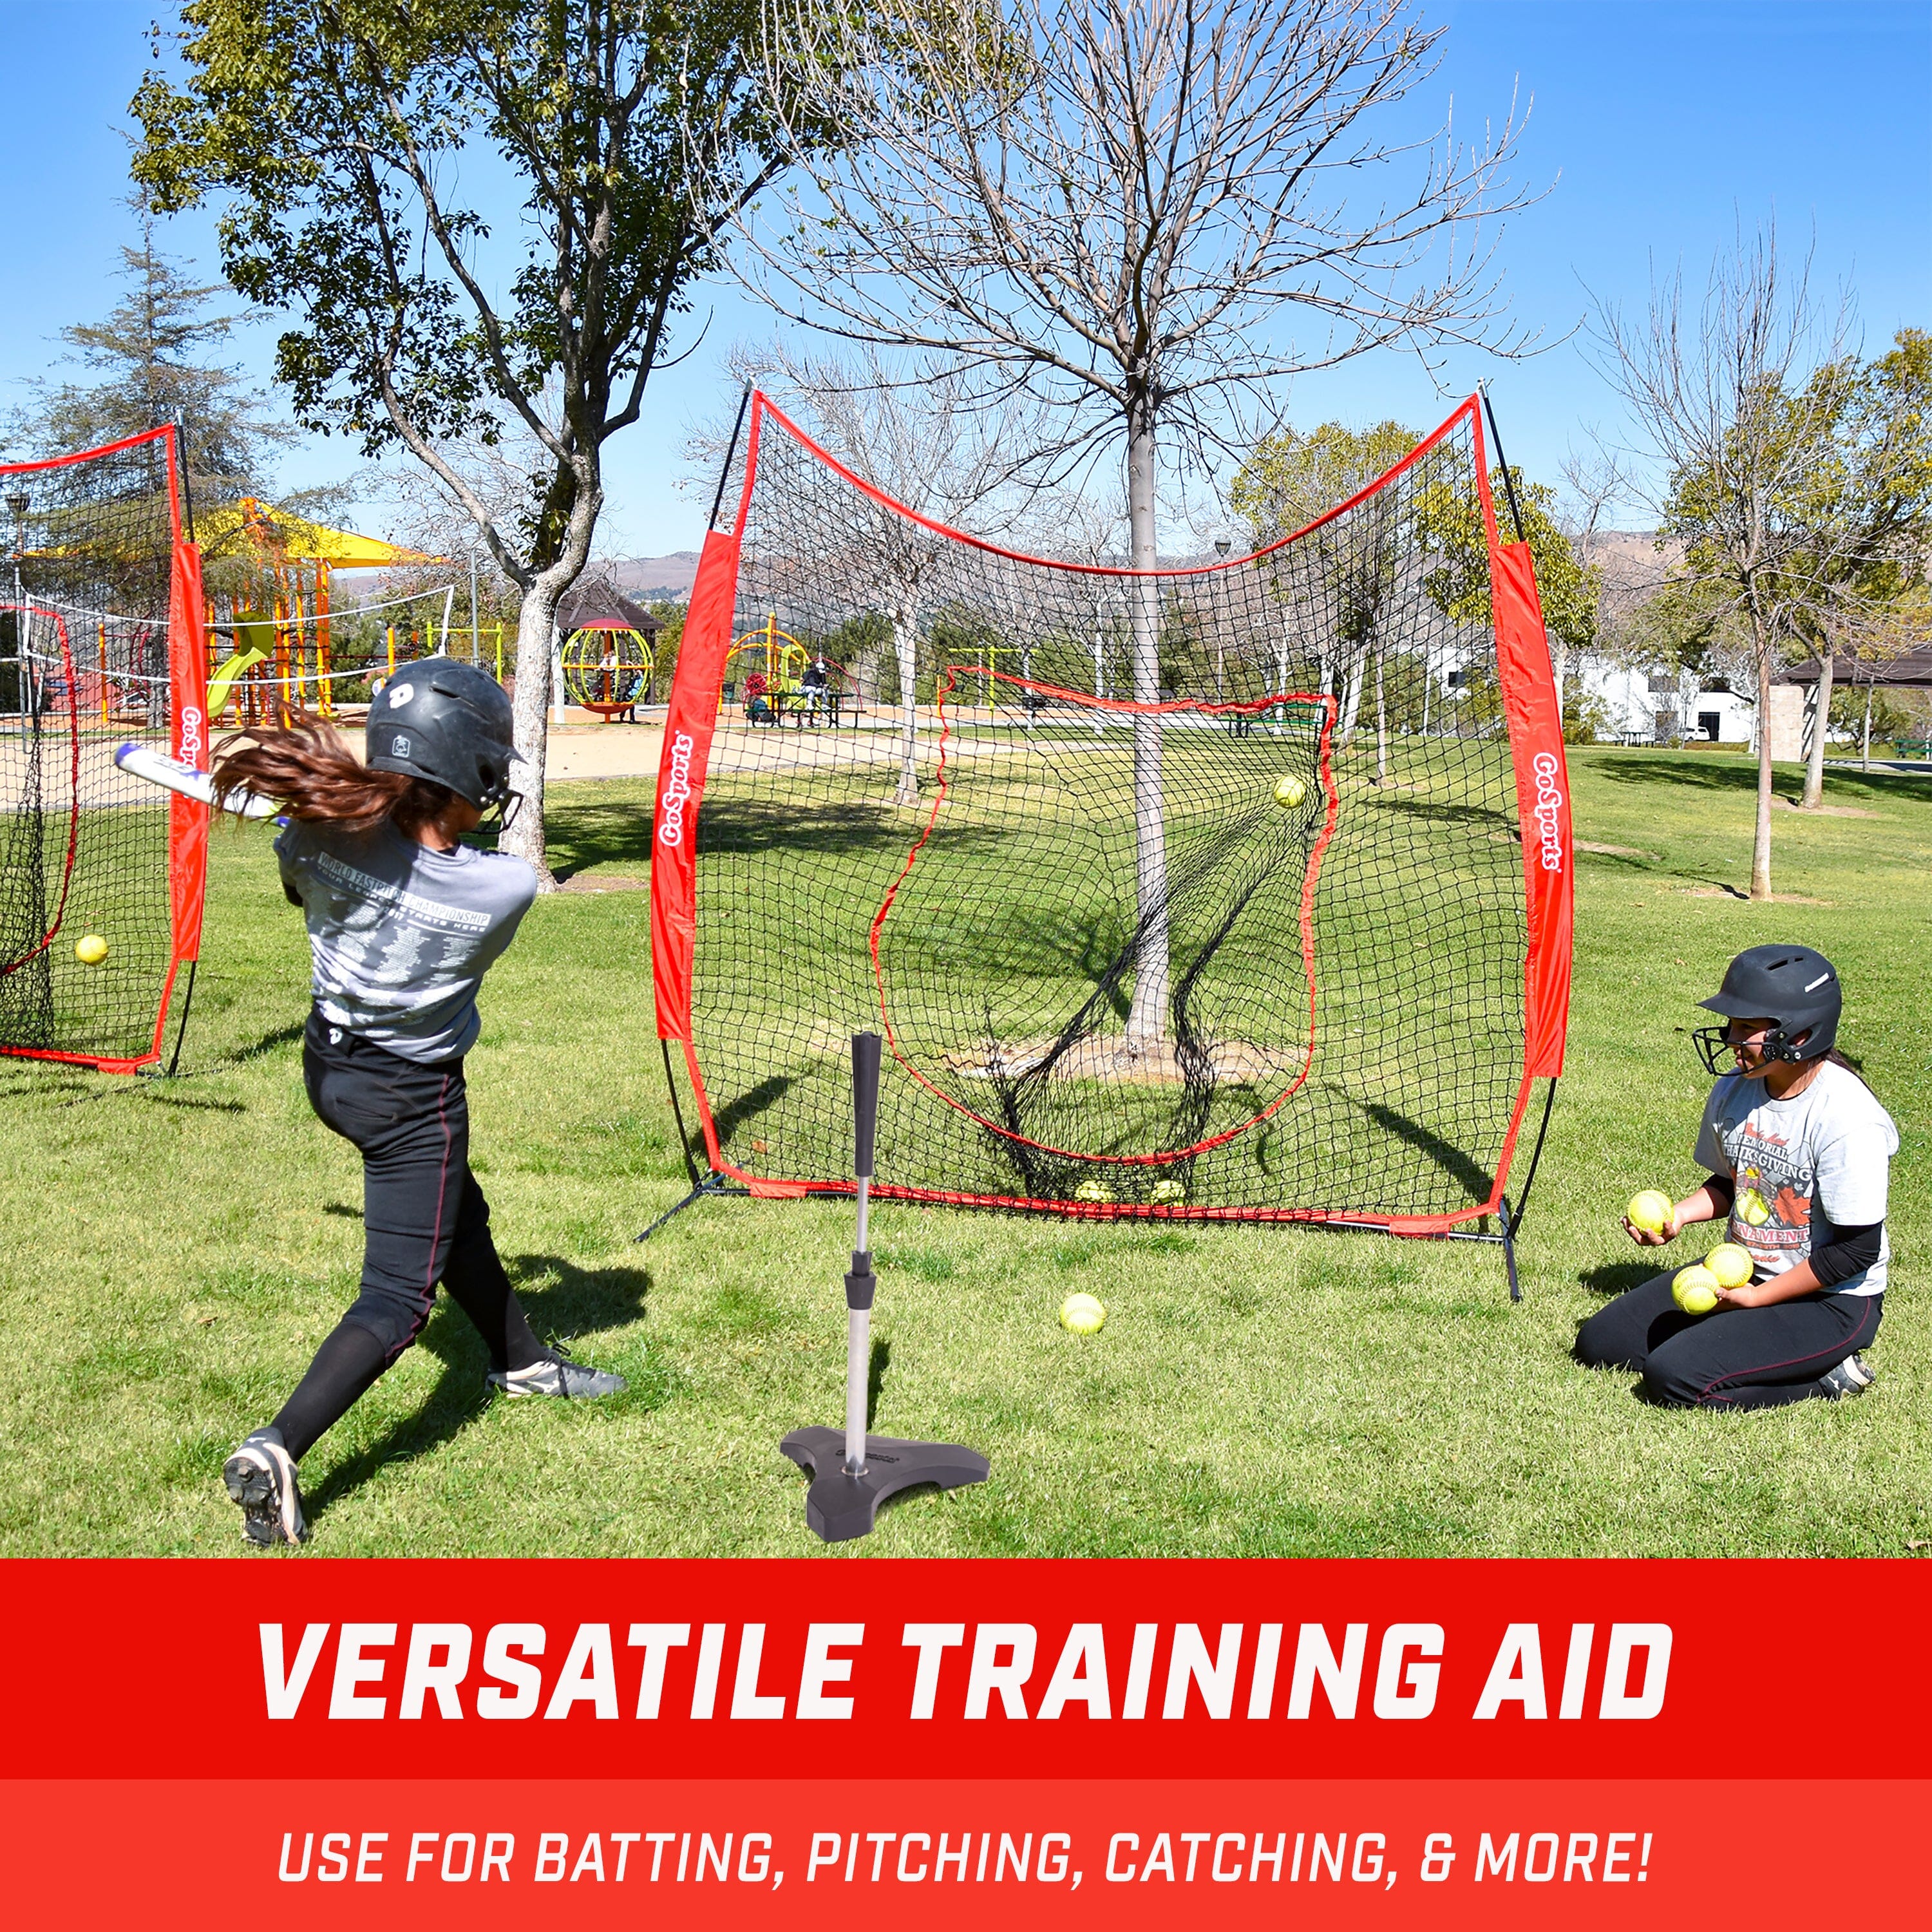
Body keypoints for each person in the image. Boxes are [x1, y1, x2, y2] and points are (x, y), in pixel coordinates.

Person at [213, 659, 625, 1547]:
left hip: (332, 1068)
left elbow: (301, 885)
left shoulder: (317, 840)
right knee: (399, 1299)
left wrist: (329, 831)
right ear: (465, 772)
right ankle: (278, 1446)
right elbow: (438, 863)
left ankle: (519, 1362)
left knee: (454, 1215)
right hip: (411, 1097)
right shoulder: (502, 888)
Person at [1575, 943, 1895, 1408]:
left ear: (1800, 1035)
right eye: (1731, 1025)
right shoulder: (1735, 1088)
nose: (1730, 1039)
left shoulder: (1847, 1118)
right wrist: (1680, 1217)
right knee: (1600, 1345)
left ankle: (1828, 1377)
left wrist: (1759, 1300)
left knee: (1675, 1379)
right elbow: (1735, 1182)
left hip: (1830, 1300)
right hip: (1746, 1272)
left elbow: (1856, 1250)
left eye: (1746, 1028)